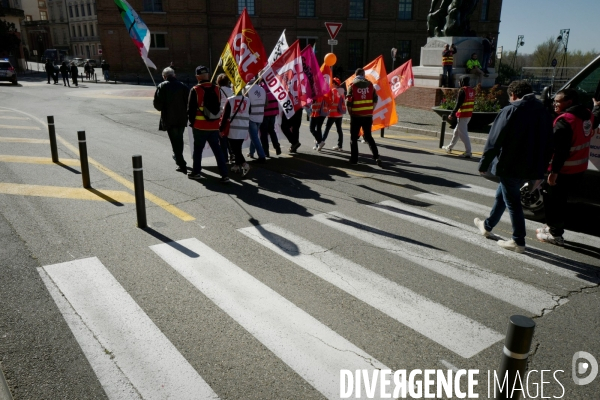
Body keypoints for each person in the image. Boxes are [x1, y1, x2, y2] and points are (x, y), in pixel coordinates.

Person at [475, 80, 553, 253]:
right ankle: (487, 226)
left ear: (514, 95)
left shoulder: (511, 110)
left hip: (510, 164)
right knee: (502, 196)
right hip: (531, 166)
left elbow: (494, 140)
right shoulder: (543, 111)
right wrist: (543, 166)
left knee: (513, 202)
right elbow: (549, 143)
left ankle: (518, 240)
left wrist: (484, 163)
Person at [536, 90, 600, 245]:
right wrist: (597, 106)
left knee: (553, 200)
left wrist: (553, 172)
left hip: (564, 169)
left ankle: (555, 234)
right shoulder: (586, 114)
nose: (555, 104)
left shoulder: (565, 121)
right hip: (579, 167)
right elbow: (596, 117)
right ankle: (552, 226)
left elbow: (560, 150)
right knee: (562, 199)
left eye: (558, 102)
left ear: (569, 102)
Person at [187, 65, 229, 183]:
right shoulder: (217, 89)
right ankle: (225, 175)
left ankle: (196, 172)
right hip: (214, 126)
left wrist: (192, 123)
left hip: (200, 126)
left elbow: (190, 110)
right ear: (208, 76)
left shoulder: (195, 89)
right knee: (217, 150)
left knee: (198, 150)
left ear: (197, 77)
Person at [153, 66, 190, 173]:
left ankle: (181, 162)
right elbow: (189, 102)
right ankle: (179, 158)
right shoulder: (182, 86)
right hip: (182, 117)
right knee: (179, 139)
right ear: (174, 75)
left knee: (175, 141)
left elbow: (158, 105)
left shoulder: (162, 86)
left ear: (164, 77)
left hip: (169, 118)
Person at [346, 68, 382, 166]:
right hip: (368, 115)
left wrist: (351, 113)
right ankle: (376, 156)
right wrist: (371, 110)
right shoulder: (370, 85)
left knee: (353, 138)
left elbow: (348, 101)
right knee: (368, 136)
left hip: (356, 115)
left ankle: (354, 160)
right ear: (363, 74)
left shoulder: (352, 86)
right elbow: (375, 98)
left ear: (356, 75)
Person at [221, 90, 251, 177]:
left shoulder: (230, 100)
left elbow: (225, 116)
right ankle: (236, 166)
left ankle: (245, 165)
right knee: (238, 148)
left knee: (234, 149)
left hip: (233, 128)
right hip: (244, 127)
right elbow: (250, 112)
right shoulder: (247, 100)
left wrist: (221, 128)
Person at [443, 75, 474, 158]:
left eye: (459, 81)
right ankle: (449, 147)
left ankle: (468, 152)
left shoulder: (462, 91)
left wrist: (452, 114)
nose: (458, 82)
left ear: (462, 82)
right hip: (468, 115)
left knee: (463, 134)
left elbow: (458, 104)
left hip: (463, 115)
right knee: (456, 132)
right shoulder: (471, 90)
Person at [245, 77, 267, 163]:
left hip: (251, 116)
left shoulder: (247, 89)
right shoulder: (261, 89)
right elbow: (266, 103)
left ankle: (262, 155)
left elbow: (245, 103)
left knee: (254, 137)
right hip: (260, 115)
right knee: (254, 136)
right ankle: (251, 152)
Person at [258, 79, 281, 157]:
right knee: (271, 130)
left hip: (265, 113)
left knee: (263, 133)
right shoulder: (273, 86)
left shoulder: (261, 87)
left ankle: (266, 151)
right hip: (273, 112)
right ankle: (277, 146)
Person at [322, 77, 346, 151]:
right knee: (339, 130)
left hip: (332, 113)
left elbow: (329, 101)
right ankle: (340, 146)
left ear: (335, 84)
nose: (331, 84)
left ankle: (320, 142)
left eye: (332, 83)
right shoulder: (341, 92)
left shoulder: (332, 91)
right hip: (339, 114)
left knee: (327, 129)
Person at [216, 73, 234, 163]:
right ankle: (232, 154)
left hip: (220, 116)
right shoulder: (231, 90)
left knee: (222, 137)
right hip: (230, 116)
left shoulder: (217, 90)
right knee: (229, 137)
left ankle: (225, 158)